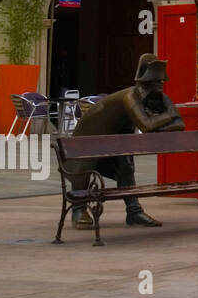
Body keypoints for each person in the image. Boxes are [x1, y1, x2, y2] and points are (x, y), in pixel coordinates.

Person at [67, 53, 184, 230]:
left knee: (126, 168)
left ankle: (134, 212)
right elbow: (146, 125)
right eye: (157, 79)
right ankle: (78, 208)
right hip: (93, 132)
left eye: (162, 79)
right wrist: (169, 116)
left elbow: (179, 124)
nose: (162, 82)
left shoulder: (159, 98)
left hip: (118, 135)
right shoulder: (130, 96)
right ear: (147, 81)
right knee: (84, 164)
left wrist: (160, 125)